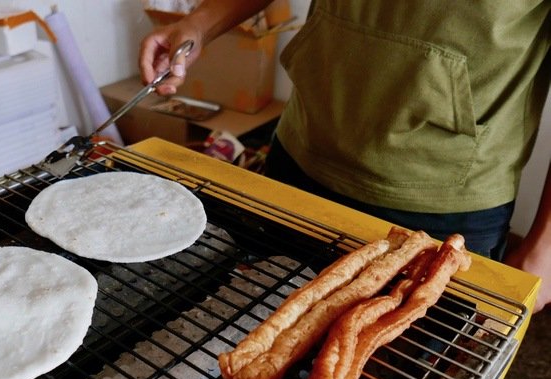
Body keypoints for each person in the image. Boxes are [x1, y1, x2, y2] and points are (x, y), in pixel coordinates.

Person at [139, 0, 551, 312]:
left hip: (443, 203)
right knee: (254, 331)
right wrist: (199, 23)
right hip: (301, 155)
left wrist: (542, 254)